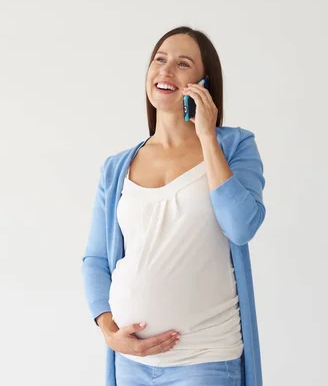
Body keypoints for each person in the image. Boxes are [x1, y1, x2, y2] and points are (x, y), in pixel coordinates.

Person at [81, 26, 266, 386]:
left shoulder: (235, 147)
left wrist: (207, 136)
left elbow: (241, 226)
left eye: (183, 64)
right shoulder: (117, 167)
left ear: (204, 83)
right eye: (159, 60)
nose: (165, 71)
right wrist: (108, 330)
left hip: (206, 359)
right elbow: (95, 260)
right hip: (131, 362)